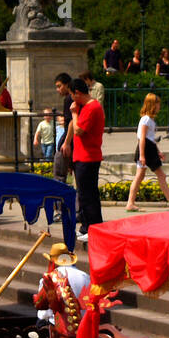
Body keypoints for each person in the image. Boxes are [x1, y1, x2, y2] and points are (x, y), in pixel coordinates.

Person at [126, 93, 169, 212]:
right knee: (161, 175)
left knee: (140, 176)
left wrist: (158, 151)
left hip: (148, 148)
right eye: (157, 104)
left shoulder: (150, 120)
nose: (159, 106)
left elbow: (150, 138)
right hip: (146, 149)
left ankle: (130, 203)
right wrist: (142, 155)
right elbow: (142, 138)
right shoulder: (146, 119)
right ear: (152, 105)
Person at [64, 77, 105, 238]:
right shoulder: (87, 106)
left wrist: (74, 113)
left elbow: (79, 130)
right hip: (84, 156)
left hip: (88, 157)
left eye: (72, 95)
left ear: (78, 93)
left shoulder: (91, 107)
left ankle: (91, 228)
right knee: (87, 193)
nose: (71, 99)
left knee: (86, 194)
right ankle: (88, 227)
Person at [33, 242, 90, 334]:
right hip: (84, 324)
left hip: (58, 326)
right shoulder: (86, 276)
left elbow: (42, 309)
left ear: (52, 261)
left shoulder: (50, 278)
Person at [53, 72, 74, 184]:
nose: (58, 89)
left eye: (59, 86)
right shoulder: (69, 98)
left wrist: (66, 143)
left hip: (67, 142)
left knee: (59, 177)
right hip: (69, 141)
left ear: (67, 85)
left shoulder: (69, 99)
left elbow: (71, 122)